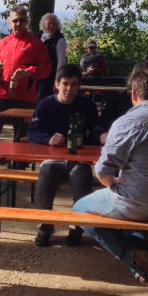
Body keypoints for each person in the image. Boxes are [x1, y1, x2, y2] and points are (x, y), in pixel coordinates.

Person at [71, 60, 148, 286]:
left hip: (138, 204)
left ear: (134, 94)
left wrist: (114, 183)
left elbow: (102, 172)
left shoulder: (127, 122)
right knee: (132, 199)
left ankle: (133, 256)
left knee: (79, 209)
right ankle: (144, 271)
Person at [27, 64, 101, 248]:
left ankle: (77, 228)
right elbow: (32, 132)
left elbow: (95, 130)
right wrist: (48, 139)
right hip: (52, 160)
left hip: (78, 160)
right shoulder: (45, 105)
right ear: (57, 84)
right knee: (46, 174)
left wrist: (98, 136)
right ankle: (45, 226)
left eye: (74, 84)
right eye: (65, 84)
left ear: (79, 86)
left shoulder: (87, 106)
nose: (69, 89)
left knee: (82, 178)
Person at [0, 5, 51, 141]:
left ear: (27, 21)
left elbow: (46, 69)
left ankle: (19, 163)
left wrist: (28, 72)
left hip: (25, 97)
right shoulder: (2, 43)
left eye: (22, 20)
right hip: (2, 94)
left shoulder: (35, 44)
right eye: (15, 21)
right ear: (9, 21)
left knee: (22, 138)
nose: (19, 24)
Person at [36, 12, 67, 101]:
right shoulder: (38, 37)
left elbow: (61, 62)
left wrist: (57, 80)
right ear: (44, 24)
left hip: (50, 77)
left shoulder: (59, 40)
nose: (52, 26)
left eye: (54, 23)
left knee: (44, 100)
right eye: (49, 23)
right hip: (37, 75)